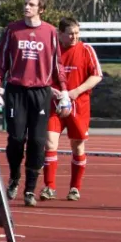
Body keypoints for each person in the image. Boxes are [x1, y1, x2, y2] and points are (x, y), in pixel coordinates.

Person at [0, 0, 71, 207]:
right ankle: (15, 176)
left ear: (40, 9)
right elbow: (1, 60)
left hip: (41, 92)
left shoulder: (51, 32)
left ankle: (30, 189)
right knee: (16, 138)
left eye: (32, 5)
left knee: (37, 141)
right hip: (16, 90)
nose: (27, 7)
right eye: (25, 4)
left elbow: (57, 64)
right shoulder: (12, 30)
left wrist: (63, 91)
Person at [39, 17, 103, 202]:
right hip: (54, 104)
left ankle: (75, 188)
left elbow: (97, 76)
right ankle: (49, 187)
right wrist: (54, 92)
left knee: (77, 145)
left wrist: (75, 92)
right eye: (70, 34)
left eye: (77, 33)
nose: (74, 37)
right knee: (50, 143)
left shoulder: (86, 50)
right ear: (60, 34)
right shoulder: (52, 50)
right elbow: (40, 76)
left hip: (78, 105)